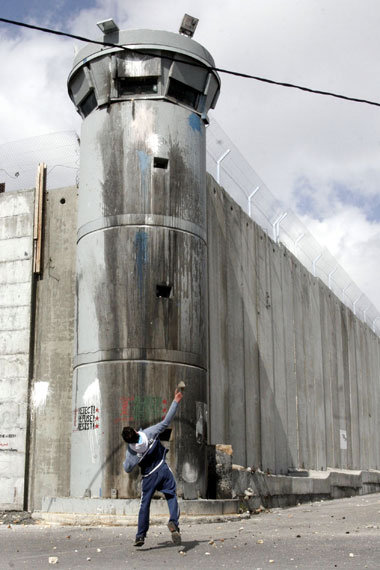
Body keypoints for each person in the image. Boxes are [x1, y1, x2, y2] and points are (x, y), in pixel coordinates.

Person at [122, 388, 183, 547]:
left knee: (145, 504)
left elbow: (127, 468)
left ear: (128, 441)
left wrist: (132, 458)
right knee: (171, 495)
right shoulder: (149, 433)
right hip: (162, 470)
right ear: (136, 431)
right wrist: (175, 401)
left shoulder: (131, 453)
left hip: (149, 477)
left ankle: (140, 535)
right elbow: (165, 422)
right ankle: (173, 523)